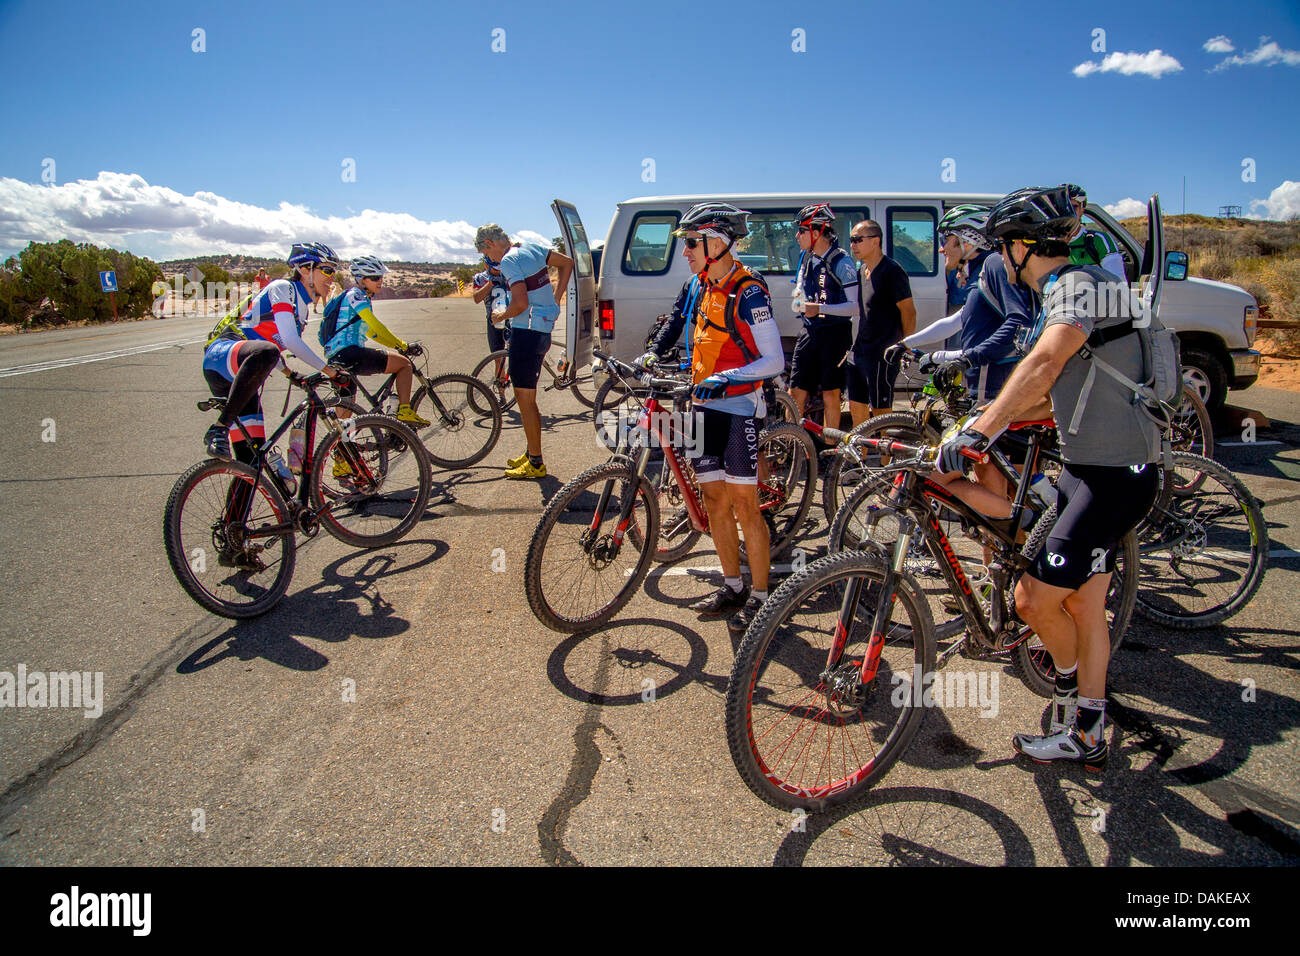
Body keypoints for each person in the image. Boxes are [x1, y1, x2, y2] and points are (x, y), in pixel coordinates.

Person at [934, 185, 1162, 771]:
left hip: (1112, 476)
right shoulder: (1079, 290)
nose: (1000, 258)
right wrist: (976, 421)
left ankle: (1069, 698)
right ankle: (1087, 726)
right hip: (1093, 468)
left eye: (1002, 246)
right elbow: (1053, 392)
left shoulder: (1076, 287)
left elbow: (1043, 363)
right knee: (1086, 606)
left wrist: (981, 433)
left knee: (1033, 600)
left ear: (1019, 246)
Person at [635, 202, 785, 634]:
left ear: (717, 243)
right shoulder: (698, 284)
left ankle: (761, 596)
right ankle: (733, 584)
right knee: (714, 501)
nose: (685, 252)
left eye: (691, 243)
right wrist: (653, 351)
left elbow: (773, 359)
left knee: (744, 506)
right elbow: (676, 320)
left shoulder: (749, 291)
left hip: (738, 408)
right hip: (704, 406)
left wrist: (726, 378)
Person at [201, 242, 344, 461]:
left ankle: (241, 488)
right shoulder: (283, 288)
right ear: (305, 269)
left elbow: (269, 344)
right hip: (224, 354)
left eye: (334, 271)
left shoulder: (303, 307)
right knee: (267, 351)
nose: (332, 277)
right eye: (327, 270)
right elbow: (287, 341)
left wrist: (292, 375)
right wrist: (329, 371)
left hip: (244, 373)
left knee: (251, 463)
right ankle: (218, 428)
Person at [475, 224, 574, 479]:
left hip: (527, 333)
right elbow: (568, 262)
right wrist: (557, 296)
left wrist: (501, 314)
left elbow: (520, 303)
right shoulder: (530, 247)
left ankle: (536, 463)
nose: (490, 261)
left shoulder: (508, 261)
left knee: (526, 402)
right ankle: (532, 452)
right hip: (541, 330)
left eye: (487, 255)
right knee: (527, 400)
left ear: (489, 243)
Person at [321, 256, 430, 458]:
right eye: (373, 277)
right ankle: (404, 410)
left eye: (380, 276)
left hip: (338, 357)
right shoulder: (357, 296)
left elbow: (371, 332)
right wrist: (402, 346)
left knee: (346, 417)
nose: (379, 281)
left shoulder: (354, 296)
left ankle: (342, 461)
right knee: (404, 365)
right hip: (349, 352)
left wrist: (396, 344)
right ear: (361, 279)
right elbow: (376, 326)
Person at [787, 203, 859, 430]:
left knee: (831, 393)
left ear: (817, 232)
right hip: (810, 331)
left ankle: (831, 446)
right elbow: (799, 292)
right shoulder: (806, 258)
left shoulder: (842, 262)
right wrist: (799, 300)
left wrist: (820, 308)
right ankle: (792, 443)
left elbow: (854, 307)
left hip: (835, 333)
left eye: (802, 230)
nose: (797, 236)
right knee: (795, 390)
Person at [846, 219, 916, 426]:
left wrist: (906, 346)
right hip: (860, 350)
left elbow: (909, 312)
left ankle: (887, 458)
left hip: (882, 354)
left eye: (858, 240)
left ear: (876, 241)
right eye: (851, 240)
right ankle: (861, 456)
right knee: (855, 405)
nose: (853, 245)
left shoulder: (892, 271)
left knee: (881, 412)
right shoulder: (862, 270)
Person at [1063, 184, 1127, 281]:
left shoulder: (1099, 240)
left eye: (1073, 207)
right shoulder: (1045, 243)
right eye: (1063, 208)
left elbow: (1119, 284)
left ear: (1082, 209)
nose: (1068, 213)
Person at [940, 204, 995, 313]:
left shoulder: (984, 278)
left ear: (967, 242)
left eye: (945, 240)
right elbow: (959, 320)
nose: (941, 249)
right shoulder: (979, 272)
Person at [471, 257, 512, 384]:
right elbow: (476, 298)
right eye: (495, 268)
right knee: (498, 359)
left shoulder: (508, 274)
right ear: (486, 265)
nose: (497, 271)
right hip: (493, 321)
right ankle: (501, 395)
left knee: (516, 355)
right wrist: (489, 284)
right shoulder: (480, 277)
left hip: (511, 319)